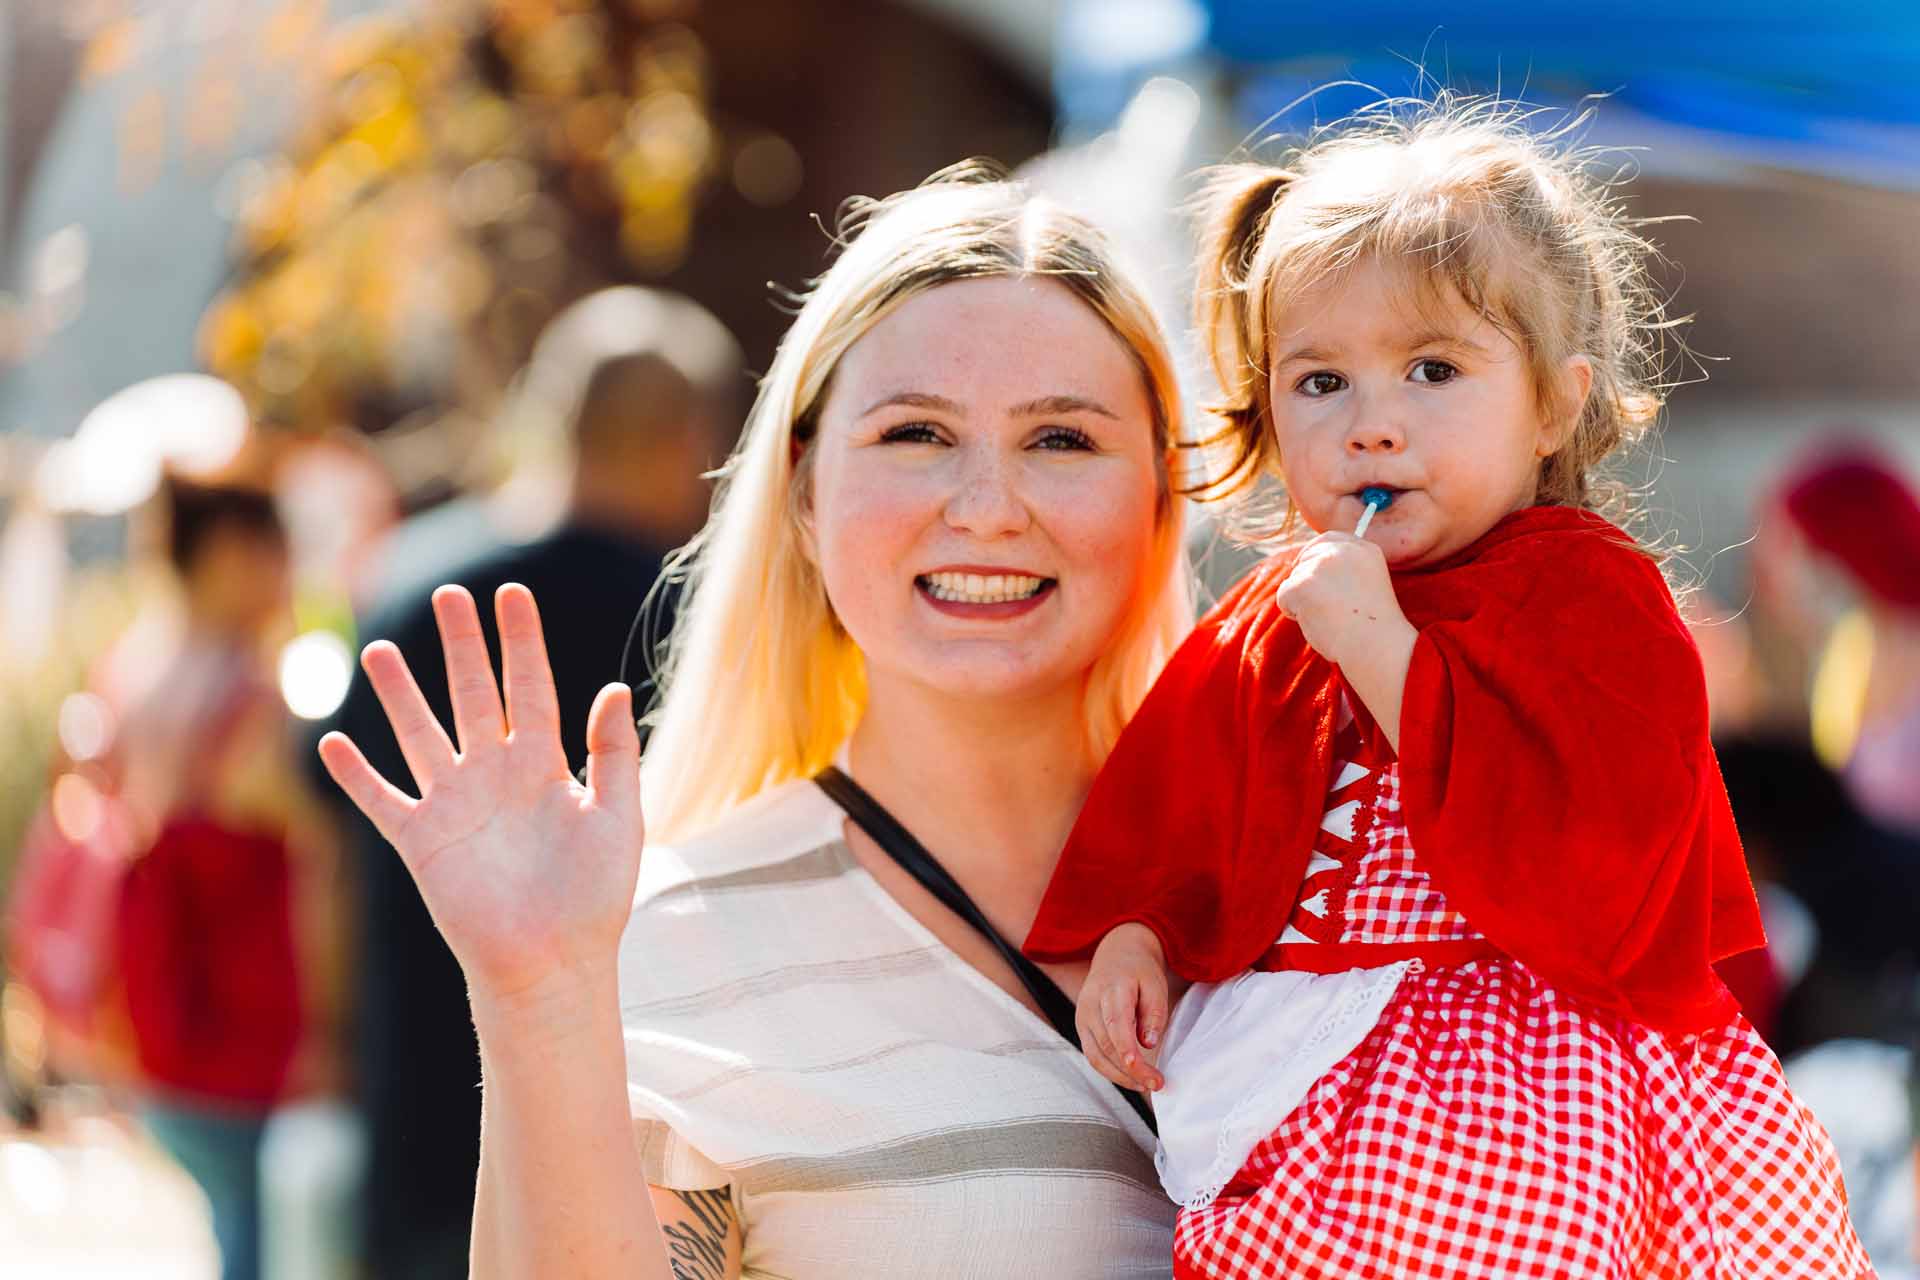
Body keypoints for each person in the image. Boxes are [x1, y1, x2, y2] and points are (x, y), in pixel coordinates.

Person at [1025, 98, 1875, 1277]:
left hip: (1537, 1083)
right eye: (1320, 380)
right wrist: (1137, 931)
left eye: (1433, 370)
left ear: (1554, 405)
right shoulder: (1279, 610)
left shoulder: (1591, 592)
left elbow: (1600, 879)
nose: (1372, 424)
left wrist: (1389, 656)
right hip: (1302, 1082)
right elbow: (1178, 803)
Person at [315, 163, 1193, 1277]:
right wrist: (540, 1003)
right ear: (805, 494)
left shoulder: (1335, 872)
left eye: (1061, 439)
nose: (986, 507)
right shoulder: (669, 942)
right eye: (916, 433)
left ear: (1162, 491)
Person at [315, 286, 744, 1280]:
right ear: (689, 438)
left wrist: (328, 1049)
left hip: (413, 1097)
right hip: (631, 1132)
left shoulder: (412, 585)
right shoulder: (702, 619)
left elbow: (326, 845)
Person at [112, 476, 345, 1280]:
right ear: (229, 556)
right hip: (255, 1035)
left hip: (162, 1022)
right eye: (276, 549)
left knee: (233, 1234)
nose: (289, 570)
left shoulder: (132, 678)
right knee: (261, 1246)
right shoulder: (254, 703)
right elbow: (320, 874)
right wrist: (332, 1032)